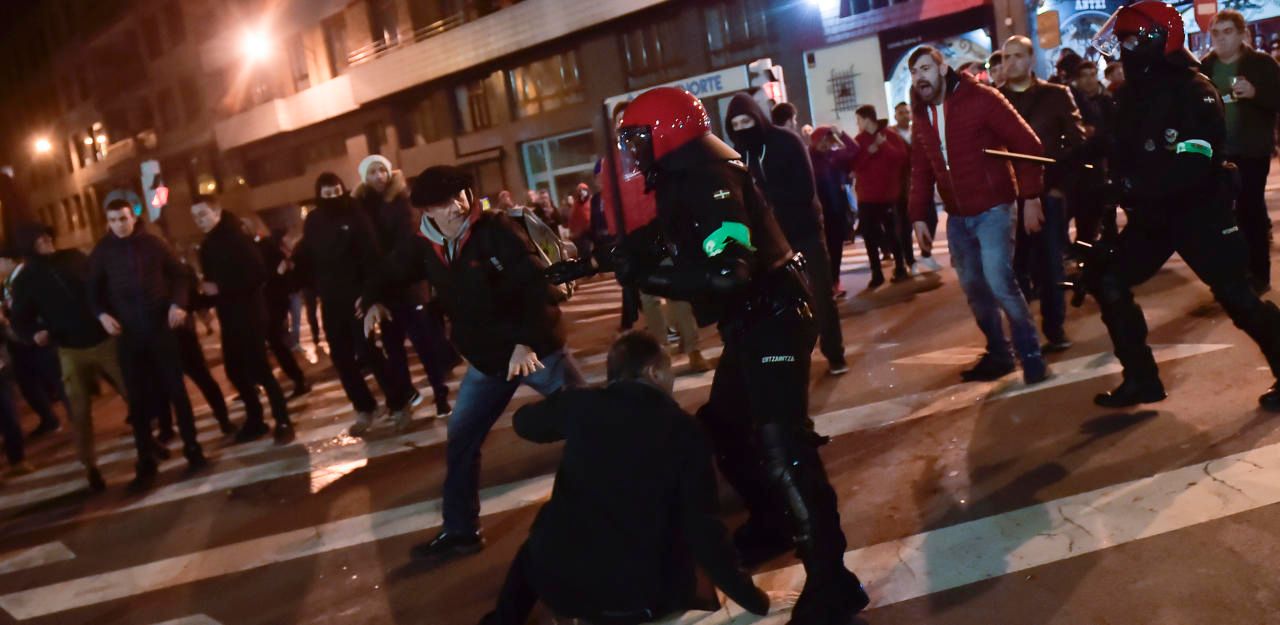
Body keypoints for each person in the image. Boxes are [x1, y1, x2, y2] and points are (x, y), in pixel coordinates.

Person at [586, 86, 870, 623]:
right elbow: (677, 234)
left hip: (774, 318)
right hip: (755, 319)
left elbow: (726, 267)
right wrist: (609, 257)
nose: (630, 150)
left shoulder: (709, 175)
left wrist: (644, 273)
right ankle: (771, 521)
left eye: (636, 137)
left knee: (783, 447)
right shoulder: (687, 171)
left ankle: (833, 580)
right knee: (724, 425)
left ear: (665, 132)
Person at [364, 165, 584, 564]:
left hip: (536, 352)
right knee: (461, 441)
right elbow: (389, 271)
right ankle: (461, 530)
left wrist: (525, 342)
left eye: (461, 195)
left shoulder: (495, 230)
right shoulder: (425, 245)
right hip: (487, 360)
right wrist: (374, 299)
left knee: (591, 419)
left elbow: (538, 287)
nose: (458, 205)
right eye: (445, 203)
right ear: (427, 211)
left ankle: (627, 496)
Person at [478, 331, 768, 624]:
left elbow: (524, 423)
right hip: (638, 596)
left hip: (561, 583)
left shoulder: (582, 405)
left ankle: (503, 619)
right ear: (654, 372)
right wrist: (751, 597)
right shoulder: (684, 431)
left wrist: (563, 404)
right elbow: (705, 530)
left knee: (541, 538)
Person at [1085, 1, 1280, 410]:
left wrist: (1132, 184)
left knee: (1238, 298)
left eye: (1132, 39)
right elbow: (1118, 144)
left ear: (1158, 40)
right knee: (1110, 282)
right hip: (1154, 218)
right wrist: (1079, 165)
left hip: (1199, 214)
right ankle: (1141, 379)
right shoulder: (1133, 93)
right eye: (1122, 40)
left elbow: (1194, 159)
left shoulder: (1194, 90)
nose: (1125, 48)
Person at [907, 46, 1052, 384]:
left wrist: (1031, 197)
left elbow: (1028, 145)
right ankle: (999, 355)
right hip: (957, 216)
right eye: (915, 72)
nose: (920, 78)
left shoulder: (981, 98)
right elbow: (921, 167)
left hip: (993, 209)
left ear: (943, 70)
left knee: (1000, 282)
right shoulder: (920, 113)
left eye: (926, 69)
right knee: (974, 289)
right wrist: (917, 215)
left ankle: (1031, 354)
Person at [726, 92, 849, 375]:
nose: (744, 128)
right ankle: (795, 360)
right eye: (737, 124)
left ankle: (834, 353)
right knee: (783, 304)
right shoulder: (738, 155)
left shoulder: (787, 142)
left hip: (804, 229)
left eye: (748, 120)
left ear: (758, 117)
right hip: (769, 241)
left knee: (820, 294)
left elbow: (805, 189)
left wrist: (766, 200)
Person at [88, 199, 208, 491]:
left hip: (159, 328)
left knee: (176, 390)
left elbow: (181, 274)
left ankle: (193, 449)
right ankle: (146, 460)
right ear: (108, 222)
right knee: (138, 400)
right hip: (129, 336)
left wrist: (178, 304)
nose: (120, 224)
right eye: (114, 219)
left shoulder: (152, 244)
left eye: (124, 218)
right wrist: (102, 315)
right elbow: (92, 291)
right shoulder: (102, 252)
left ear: (133, 217)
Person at [291, 173, 409, 435]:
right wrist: (295, 270)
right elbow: (308, 255)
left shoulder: (355, 215)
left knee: (368, 352)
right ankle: (364, 407)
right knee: (341, 358)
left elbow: (370, 255)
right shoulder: (314, 220)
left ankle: (398, 402)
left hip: (357, 298)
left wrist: (368, 295)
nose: (333, 198)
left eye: (336, 192)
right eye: (327, 194)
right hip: (330, 300)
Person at [7, 228, 123, 491]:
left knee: (134, 393)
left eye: (48, 236)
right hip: (69, 349)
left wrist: (110, 312)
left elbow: (101, 284)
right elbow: (19, 319)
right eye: (40, 238)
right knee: (79, 412)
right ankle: (90, 467)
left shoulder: (73, 258)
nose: (47, 240)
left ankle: (147, 442)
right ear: (29, 245)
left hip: (103, 339)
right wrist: (35, 334)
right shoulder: (26, 279)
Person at [1000, 35, 1087, 353]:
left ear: (1030, 58)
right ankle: (1023, 333)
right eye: (1005, 57)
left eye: (1017, 56)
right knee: (1013, 268)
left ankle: (1055, 329)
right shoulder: (996, 100)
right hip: (1010, 198)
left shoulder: (1056, 95)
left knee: (1050, 265)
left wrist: (1060, 187)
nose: (1010, 63)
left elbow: (1077, 144)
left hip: (1049, 191)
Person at [354, 154, 452, 418]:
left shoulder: (402, 202)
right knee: (393, 349)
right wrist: (371, 291)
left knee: (425, 345)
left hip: (408, 286)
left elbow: (406, 246)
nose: (378, 177)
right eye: (372, 173)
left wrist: (380, 276)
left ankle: (441, 395)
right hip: (384, 292)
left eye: (381, 171)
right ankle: (407, 397)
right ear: (364, 178)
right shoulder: (361, 207)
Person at [191, 198, 295, 444]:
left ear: (216, 211)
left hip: (250, 314)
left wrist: (220, 287)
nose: (200, 221)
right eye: (195, 217)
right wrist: (200, 297)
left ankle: (283, 420)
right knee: (235, 370)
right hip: (229, 316)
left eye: (203, 214)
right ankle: (255, 419)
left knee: (260, 369)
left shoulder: (236, 236)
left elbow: (258, 273)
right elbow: (212, 284)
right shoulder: (207, 245)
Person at [1200, 10, 1280, 294]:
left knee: (1250, 211)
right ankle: (1230, 276)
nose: (1221, 38)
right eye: (1216, 33)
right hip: (1217, 153)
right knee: (1220, 217)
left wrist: (1257, 94)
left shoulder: (1261, 63)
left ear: (1242, 33)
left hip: (1251, 150)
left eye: (1227, 32)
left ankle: (1258, 275)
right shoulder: (1205, 67)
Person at [0, 242, 68, 438]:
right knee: (27, 383)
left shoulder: (26, 277)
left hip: (37, 339)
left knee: (57, 380)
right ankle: (49, 419)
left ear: (8, 261)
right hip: (19, 342)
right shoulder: (8, 282)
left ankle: (75, 418)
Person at [848, 106, 911, 288]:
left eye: (859, 120)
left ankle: (901, 268)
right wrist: (870, 151)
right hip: (866, 197)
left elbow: (901, 158)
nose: (858, 124)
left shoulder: (889, 135)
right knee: (869, 236)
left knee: (892, 232)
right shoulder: (859, 141)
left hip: (888, 195)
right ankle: (876, 273)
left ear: (867, 119)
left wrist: (883, 145)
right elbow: (855, 166)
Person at [256, 228, 310, 398]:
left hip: (272, 304)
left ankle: (296, 379)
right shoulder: (269, 252)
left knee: (278, 342)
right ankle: (294, 379)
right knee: (277, 343)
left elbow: (280, 276)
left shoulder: (267, 251)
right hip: (272, 304)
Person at [1071, 59, 1119, 244]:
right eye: (1084, 76)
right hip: (1082, 164)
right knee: (1085, 213)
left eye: (1092, 75)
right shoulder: (1074, 102)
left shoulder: (1107, 100)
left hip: (1104, 163)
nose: (1089, 80)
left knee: (1107, 212)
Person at [809, 125, 858, 295]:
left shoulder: (834, 156)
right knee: (823, 250)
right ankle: (824, 283)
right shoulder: (808, 157)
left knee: (836, 247)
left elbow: (854, 150)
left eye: (827, 139)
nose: (824, 143)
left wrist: (841, 133)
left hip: (837, 210)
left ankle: (835, 280)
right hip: (819, 212)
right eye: (821, 139)